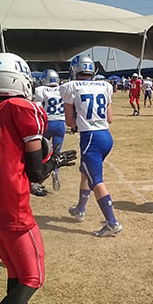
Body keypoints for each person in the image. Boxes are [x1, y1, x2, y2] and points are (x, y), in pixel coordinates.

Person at [0, 52, 76, 304]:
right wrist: (54, 162)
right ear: (18, 80)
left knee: (15, 274)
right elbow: (36, 173)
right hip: (11, 208)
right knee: (33, 278)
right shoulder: (22, 110)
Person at [61, 54, 123, 237]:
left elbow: (69, 122)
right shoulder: (105, 85)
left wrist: (79, 123)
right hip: (106, 137)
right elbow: (110, 118)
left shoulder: (70, 87)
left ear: (75, 69)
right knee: (85, 173)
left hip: (90, 139)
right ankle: (80, 209)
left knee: (96, 180)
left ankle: (112, 222)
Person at [34, 69, 65, 191]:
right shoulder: (63, 89)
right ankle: (55, 171)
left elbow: (38, 107)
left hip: (47, 123)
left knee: (42, 151)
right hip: (60, 124)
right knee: (57, 151)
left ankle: (38, 178)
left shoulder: (41, 90)